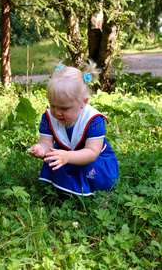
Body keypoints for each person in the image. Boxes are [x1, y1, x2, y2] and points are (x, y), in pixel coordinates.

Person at [29, 63, 119, 196]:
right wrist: (41, 149)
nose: (57, 112)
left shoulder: (94, 120)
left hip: (92, 159)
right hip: (66, 155)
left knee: (94, 170)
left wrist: (68, 156)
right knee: (58, 158)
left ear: (83, 102)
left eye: (64, 108)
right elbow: (46, 143)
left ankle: (101, 193)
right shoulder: (48, 117)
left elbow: (92, 152)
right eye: (53, 106)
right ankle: (64, 187)